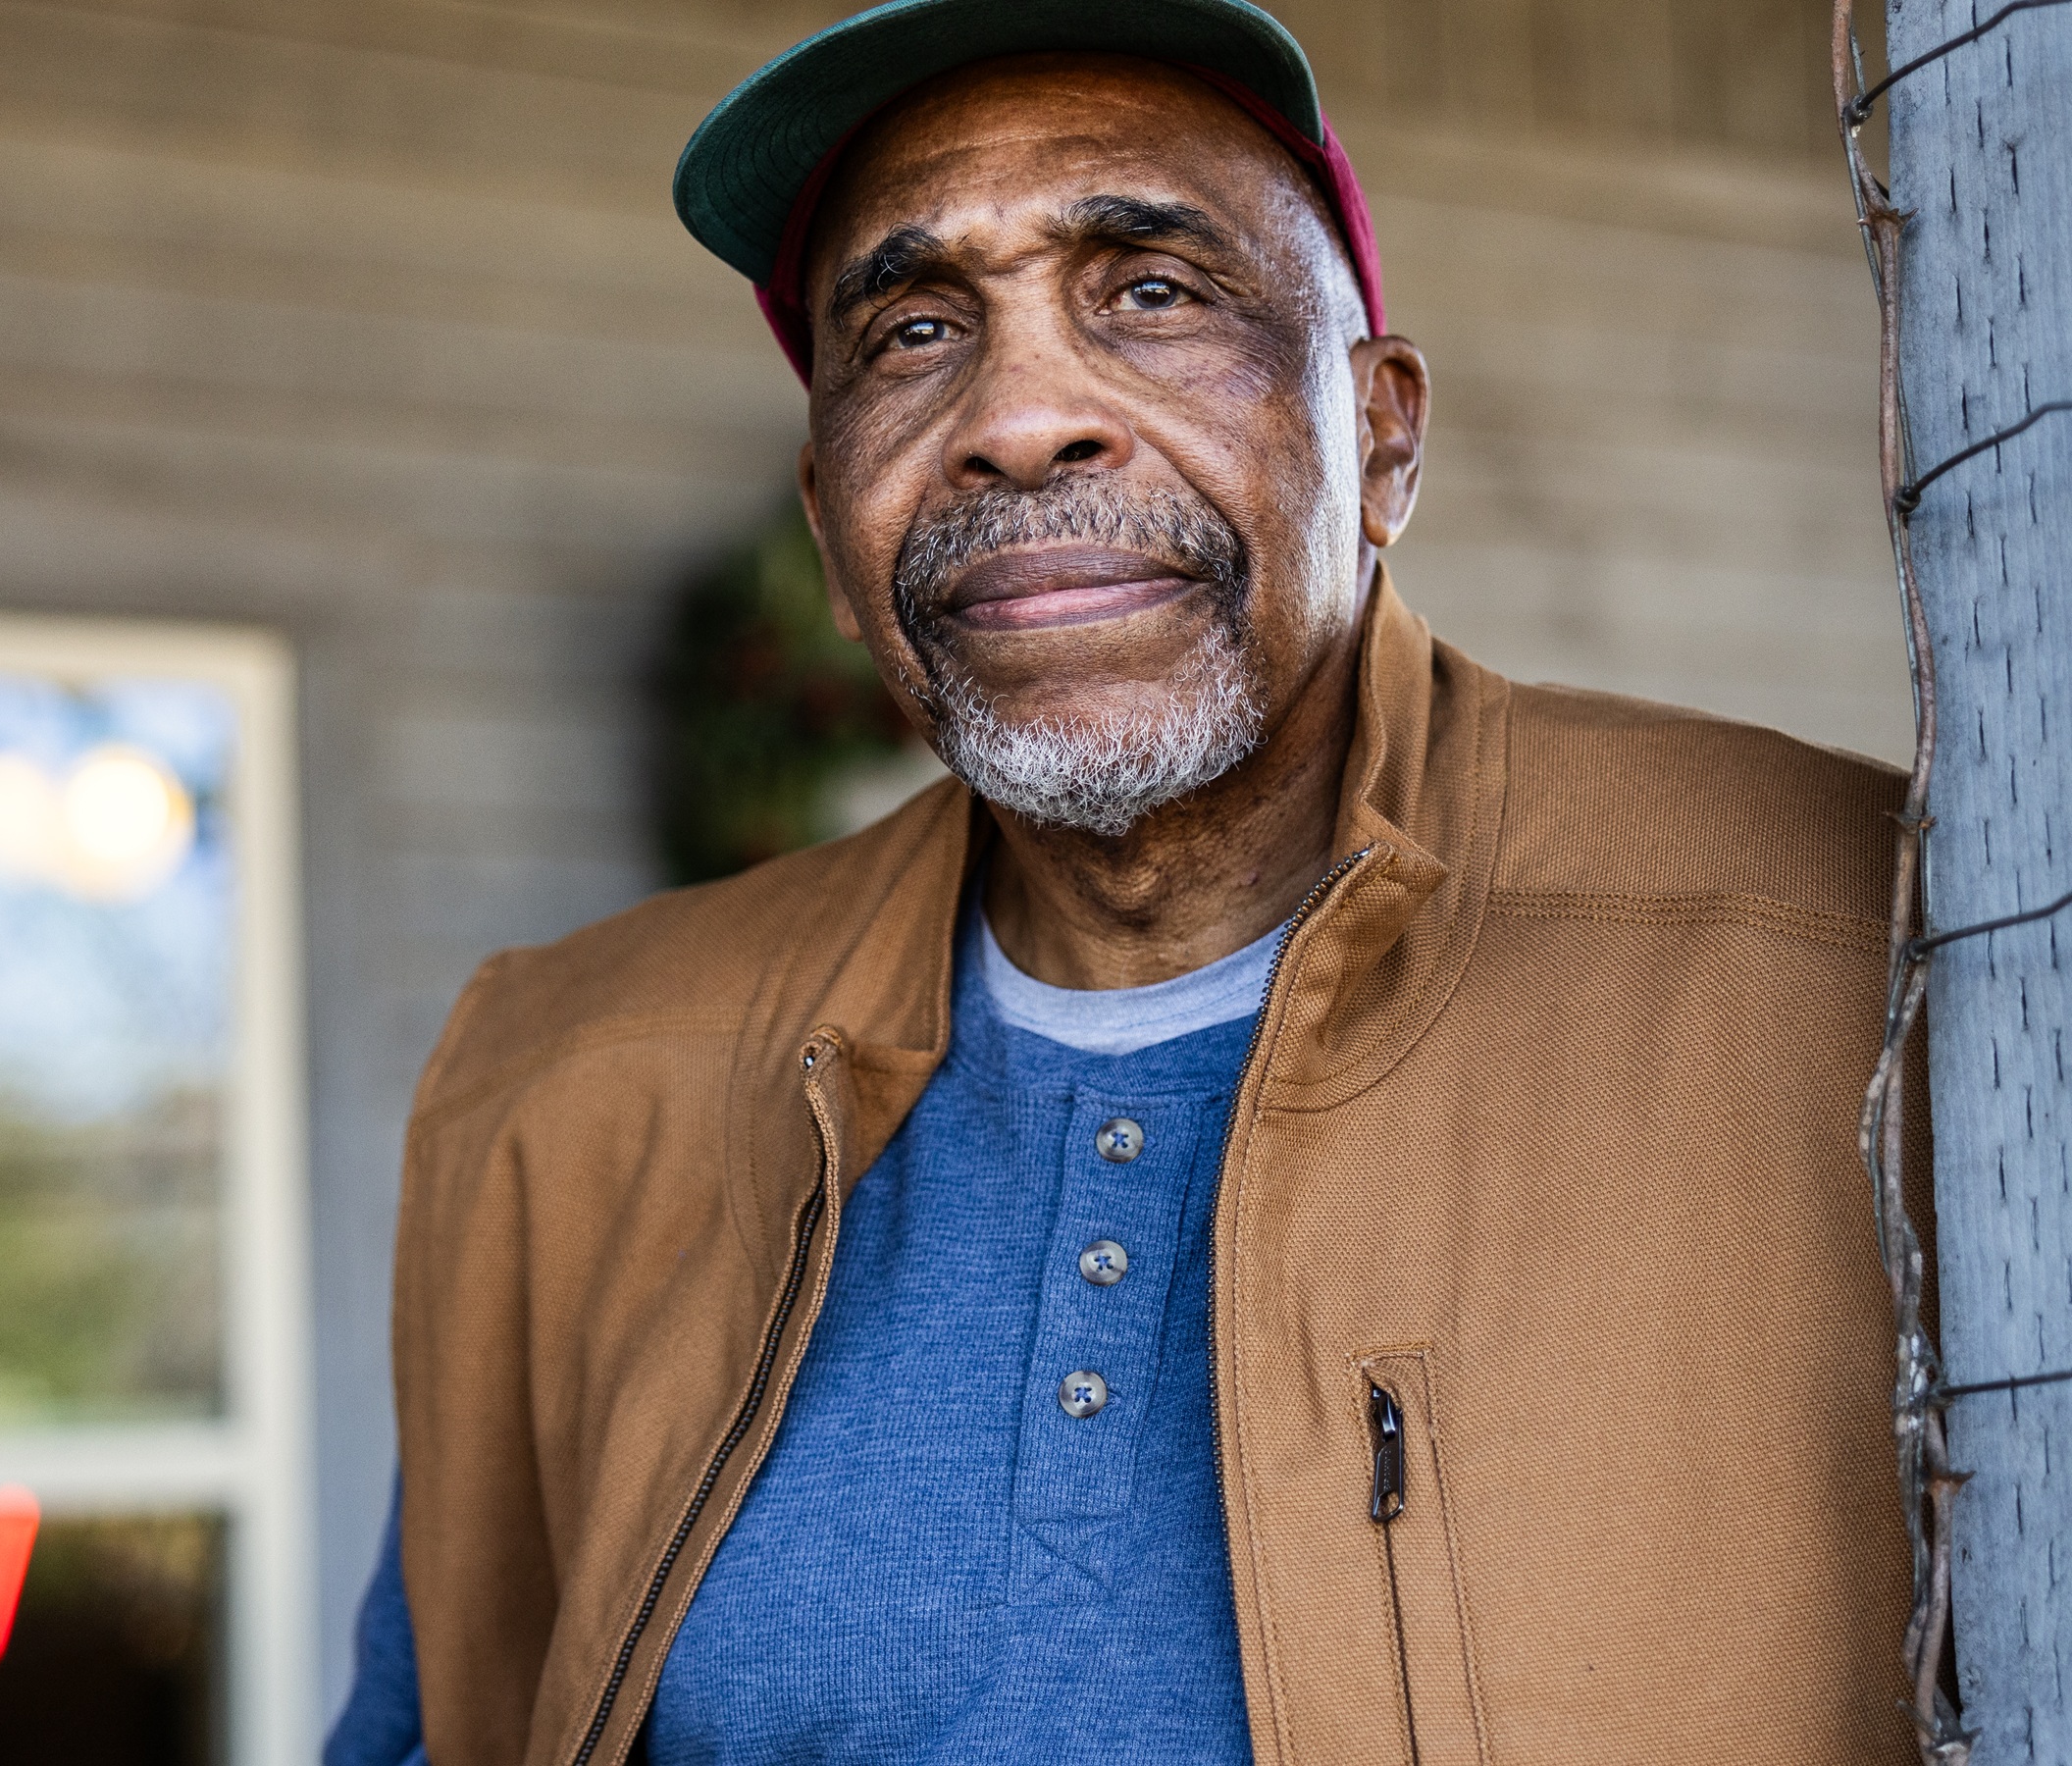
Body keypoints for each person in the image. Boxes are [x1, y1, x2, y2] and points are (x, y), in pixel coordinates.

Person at [331, 2, 1915, 1761]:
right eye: (915, 329)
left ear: (1383, 436)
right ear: (828, 523)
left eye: (1153, 291)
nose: (1018, 418)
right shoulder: (566, 1088)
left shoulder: (1876, 963)